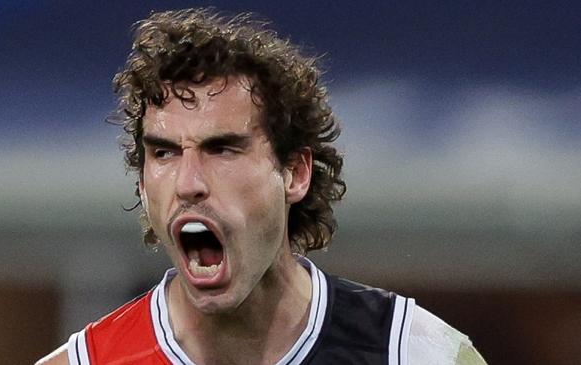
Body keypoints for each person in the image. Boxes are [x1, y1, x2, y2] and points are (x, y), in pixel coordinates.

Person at [37, 8, 487, 365]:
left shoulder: (414, 354)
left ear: (295, 173)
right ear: (141, 181)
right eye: (164, 153)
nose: (188, 183)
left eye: (223, 149)